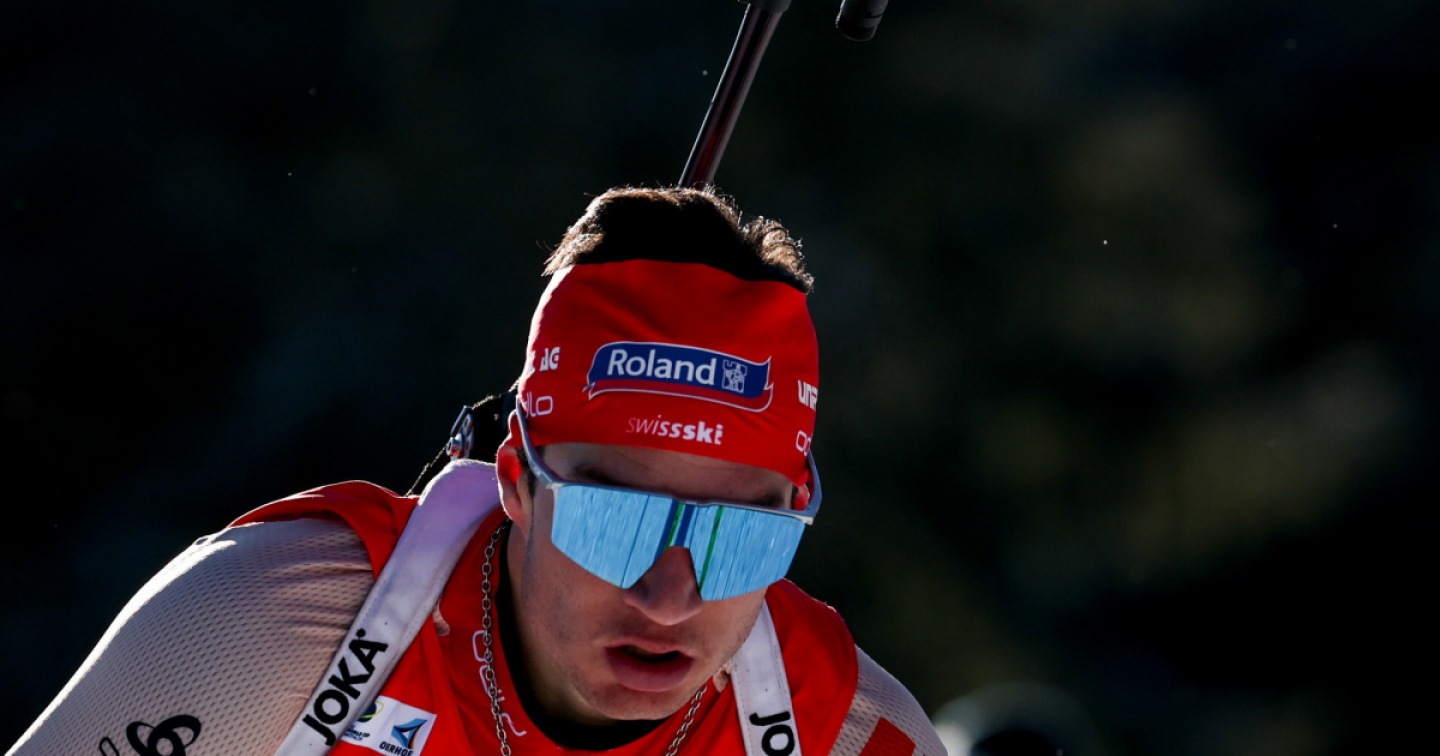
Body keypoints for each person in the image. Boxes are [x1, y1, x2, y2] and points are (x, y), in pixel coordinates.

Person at [8, 187, 945, 756]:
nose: (670, 598)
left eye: (742, 540)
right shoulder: (268, 628)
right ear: (516, 482)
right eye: (616, 521)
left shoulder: (847, 735)